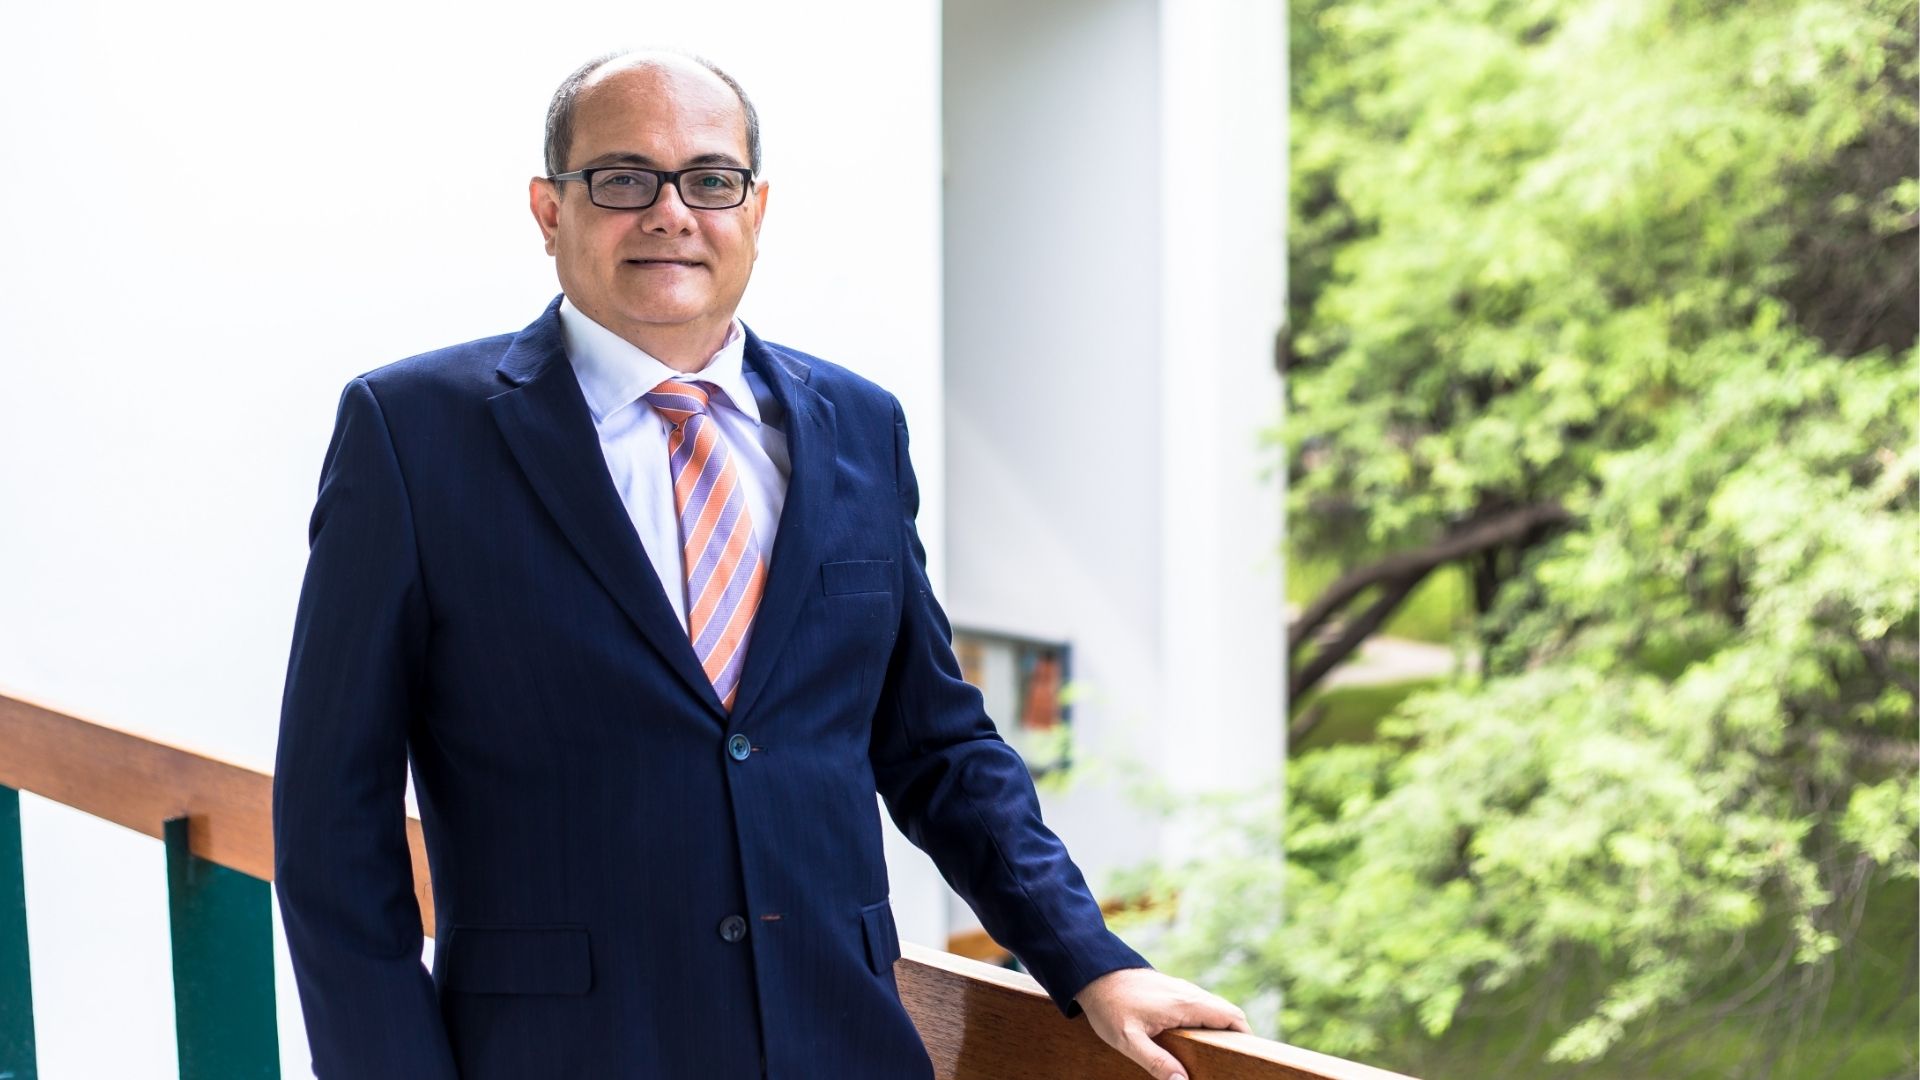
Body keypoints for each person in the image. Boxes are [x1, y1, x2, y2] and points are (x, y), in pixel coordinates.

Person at [271, 49, 1248, 1080]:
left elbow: (937, 747)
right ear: (549, 211)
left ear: (756, 208)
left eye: (710, 179)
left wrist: (1091, 961)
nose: (670, 213)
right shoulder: (410, 434)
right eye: (622, 179)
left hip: (844, 1047)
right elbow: (334, 828)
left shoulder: (860, 425)